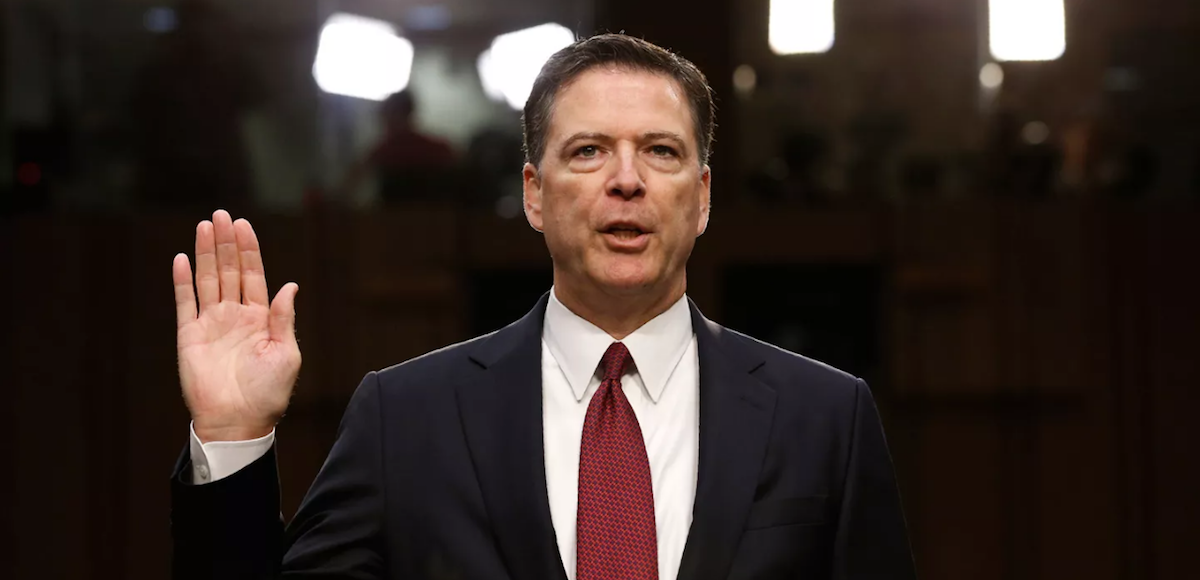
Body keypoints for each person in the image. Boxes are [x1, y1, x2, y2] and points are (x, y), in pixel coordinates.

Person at [169, 34, 916, 579]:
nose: (627, 180)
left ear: (704, 197)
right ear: (533, 192)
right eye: (588, 151)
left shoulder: (825, 417)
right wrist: (232, 438)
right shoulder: (407, 416)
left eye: (661, 151)